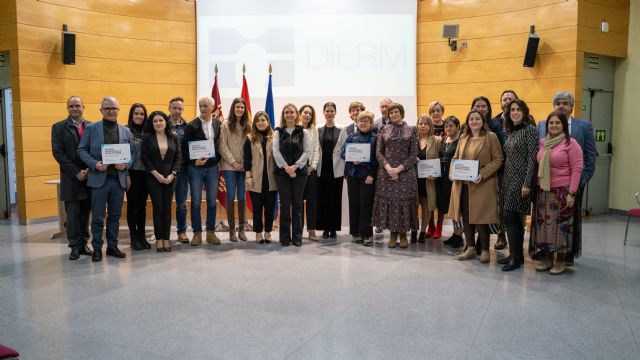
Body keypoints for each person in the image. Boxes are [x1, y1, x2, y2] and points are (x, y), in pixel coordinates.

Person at [536, 91, 596, 266]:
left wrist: (576, 186)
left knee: (567, 222)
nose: (561, 106)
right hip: (545, 187)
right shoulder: (542, 127)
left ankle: (566, 256)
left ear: (571, 106)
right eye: (558, 103)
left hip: (569, 186)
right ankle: (547, 255)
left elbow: (589, 158)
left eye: (565, 103)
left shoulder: (582, 127)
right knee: (546, 223)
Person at [77, 96, 134, 262]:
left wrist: (126, 165)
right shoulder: (91, 128)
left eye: (114, 108)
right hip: (98, 181)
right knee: (97, 217)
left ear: (118, 110)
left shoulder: (126, 131)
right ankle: (96, 248)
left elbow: (132, 154)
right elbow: (81, 150)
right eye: (107, 108)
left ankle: (112, 246)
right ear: (101, 110)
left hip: (118, 181)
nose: (111, 111)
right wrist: (94, 164)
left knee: (115, 216)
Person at [449, 110, 503, 263]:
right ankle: (470, 248)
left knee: (481, 220)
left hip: (482, 184)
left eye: (477, 118)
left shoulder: (490, 137)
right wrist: (452, 172)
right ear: (468, 121)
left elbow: (498, 159)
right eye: (471, 119)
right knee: (466, 218)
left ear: (482, 120)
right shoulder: (463, 138)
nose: (474, 121)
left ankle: (485, 250)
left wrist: (483, 173)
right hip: (463, 185)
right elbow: (455, 158)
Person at [533, 111, 583, 275]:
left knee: (562, 227)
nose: (553, 125)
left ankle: (561, 260)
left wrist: (572, 193)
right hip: (544, 191)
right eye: (551, 123)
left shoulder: (571, 143)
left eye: (557, 123)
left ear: (563, 125)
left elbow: (577, 169)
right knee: (545, 227)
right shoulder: (542, 143)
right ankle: (547, 258)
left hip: (562, 192)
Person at [498, 99, 538, 271]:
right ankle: (517, 255)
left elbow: (532, 158)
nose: (514, 112)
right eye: (512, 110)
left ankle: (515, 256)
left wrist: (527, 183)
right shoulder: (511, 132)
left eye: (518, 109)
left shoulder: (530, 130)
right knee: (510, 218)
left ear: (524, 112)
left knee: (510, 216)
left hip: (521, 180)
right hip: (507, 179)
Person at [51, 96, 92, 260]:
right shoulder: (59, 127)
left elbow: (95, 150)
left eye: (77, 105)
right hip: (71, 178)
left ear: (84, 107)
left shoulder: (92, 126)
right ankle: (74, 246)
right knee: (73, 215)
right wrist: (76, 172)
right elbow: (58, 153)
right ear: (67, 108)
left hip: (90, 177)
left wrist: (88, 169)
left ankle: (84, 244)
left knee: (85, 213)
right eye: (71, 106)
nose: (74, 108)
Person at [372, 103, 419, 249]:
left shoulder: (411, 130)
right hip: (386, 173)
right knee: (391, 203)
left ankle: (404, 234)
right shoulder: (383, 129)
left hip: (405, 173)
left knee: (403, 203)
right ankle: (393, 234)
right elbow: (379, 152)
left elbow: (413, 154)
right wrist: (388, 167)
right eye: (391, 112)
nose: (393, 114)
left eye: (396, 112)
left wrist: (399, 169)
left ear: (402, 113)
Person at [184, 96, 222, 246]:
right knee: (195, 202)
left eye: (206, 106)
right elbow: (184, 147)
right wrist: (194, 161)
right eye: (201, 106)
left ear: (212, 107)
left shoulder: (219, 124)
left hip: (212, 167)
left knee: (212, 201)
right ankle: (197, 233)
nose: (203, 108)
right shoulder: (191, 125)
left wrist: (217, 158)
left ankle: (210, 233)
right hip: (195, 168)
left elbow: (219, 145)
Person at [142, 111, 181, 252]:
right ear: (152, 124)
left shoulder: (174, 136)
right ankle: (159, 239)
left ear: (166, 122)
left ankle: (166, 238)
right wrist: (155, 173)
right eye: (155, 121)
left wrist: (173, 173)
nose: (158, 123)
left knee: (167, 208)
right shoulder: (147, 137)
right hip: (153, 177)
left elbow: (178, 156)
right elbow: (144, 157)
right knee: (158, 208)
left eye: (161, 120)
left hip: (171, 177)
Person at [472, 95, 507, 251]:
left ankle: (484, 240)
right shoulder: (467, 127)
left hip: (490, 176)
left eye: (483, 106)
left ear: (488, 108)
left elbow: (500, 155)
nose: (480, 109)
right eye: (477, 106)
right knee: (473, 208)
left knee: (487, 209)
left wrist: (485, 172)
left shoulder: (495, 128)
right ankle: (472, 242)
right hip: (470, 177)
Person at [272, 103, 310, 247]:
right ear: (283, 114)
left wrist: (295, 166)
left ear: (296, 114)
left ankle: (297, 238)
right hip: (282, 173)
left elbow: (306, 151)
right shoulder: (278, 132)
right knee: (285, 205)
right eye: (286, 112)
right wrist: (286, 167)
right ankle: (285, 238)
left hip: (300, 173)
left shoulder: (303, 132)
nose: (289, 114)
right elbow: (275, 151)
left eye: (292, 112)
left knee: (298, 205)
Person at [341, 111, 378, 246]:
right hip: (352, 175)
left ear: (371, 123)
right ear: (357, 122)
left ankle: (367, 234)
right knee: (354, 204)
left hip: (367, 176)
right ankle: (355, 233)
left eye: (366, 121)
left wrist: (371, 175)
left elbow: (377, 158)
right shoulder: (351, 136)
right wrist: (351, 158)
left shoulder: (375, 138)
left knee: (366, 205)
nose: (363, 123)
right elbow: (342, 153)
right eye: (361, 121)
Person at [244, 111, 277, 244]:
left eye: (263, 120)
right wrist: (248, 176)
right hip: (255, 178)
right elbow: (247, 159)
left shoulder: (274, 137)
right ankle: (258, 232)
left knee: (269, 207)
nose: (260, 123)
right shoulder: (249, 138)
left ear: (268, 122)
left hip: (271, 178)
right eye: (258, 121)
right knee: (257, 208)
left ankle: (268, 231)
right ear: (254, 123)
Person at [220, 97, 251, 242]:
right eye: (237, 107)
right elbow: (222, 146)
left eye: (242, 107)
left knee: (243, 197)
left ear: (245, 110)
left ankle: (242, 229)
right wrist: (233, 162)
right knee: (231, 196)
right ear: (233, 108)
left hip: (244, 167)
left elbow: (252, 146)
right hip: (229, 167)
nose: (240, 109)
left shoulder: (248, 125)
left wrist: (245, 163)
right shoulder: (226, 124)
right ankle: (232, 231)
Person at [316, 102, 343, 239]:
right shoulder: (317, 128)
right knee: (323, 199)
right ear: (324, 112)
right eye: (327, 111)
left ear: (335, 112)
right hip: (321, 169)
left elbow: (345, 149)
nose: (329, 113)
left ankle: (333, 229)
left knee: (335, 199)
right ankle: (325, 228)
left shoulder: (342, 129)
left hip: (336, 169)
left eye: (332, 111)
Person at [125, 103, 150, 251]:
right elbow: (122, 155)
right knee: (132, 206)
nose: (139, 116)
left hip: (146, 174)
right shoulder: (125, 131)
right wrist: (126, 174)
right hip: (131, 173)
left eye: (142, 114)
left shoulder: (148, 131)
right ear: (131, 115)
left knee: (142, 206)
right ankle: (133, 237)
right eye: (136, 113)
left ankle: (142, 236)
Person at [413, 114, 441, 243]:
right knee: (413, 206)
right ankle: (413, 230)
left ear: (430, 126)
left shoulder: (436, 140)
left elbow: (441, 160)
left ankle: (423, 231)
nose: (422, 126)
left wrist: (435, 174)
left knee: (426, 206)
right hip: (412, 179)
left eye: (426, 123)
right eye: (420, 123)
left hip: (428, 180)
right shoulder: (412, 140)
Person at [437, 116, 464, 248]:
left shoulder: (461, 140)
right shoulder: (443, 140)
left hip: (456, 178)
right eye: (446, 126)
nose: (448, 128)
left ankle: (460, 235)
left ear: (458, 126)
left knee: (457, 207)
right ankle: (455, 233)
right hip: (443, 178)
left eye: (451, 126)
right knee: (450, 207)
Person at [168, 97, 191, 244]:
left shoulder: (188, 126)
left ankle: (182, 231)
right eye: (174, 108)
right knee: (165, 204)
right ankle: (163, 232)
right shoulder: (162, 124)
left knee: (181, 204)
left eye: (180, 108)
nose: (177, 111)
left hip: (182, 170)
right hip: (166, 171)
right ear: (169, 108)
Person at [424, 100, 446, 239]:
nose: (435, 113)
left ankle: (439, 226)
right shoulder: (427, 127)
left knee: (441, 200)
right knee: (430, 199)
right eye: (433, 111)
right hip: (429, 170)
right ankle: (430, 226)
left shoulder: (448, 125)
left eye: (438, 110)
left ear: (442, 112)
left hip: (443, 169)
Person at [300, 105, 320, 241]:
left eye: (310, 113)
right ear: (300, 113)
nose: (307, 115)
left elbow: (316, 150)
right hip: (297, 170)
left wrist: (312, 167)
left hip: (310, 170)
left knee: (312, 201)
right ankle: (298, 230)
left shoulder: (314, 130)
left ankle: (311, 230)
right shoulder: (294, 129)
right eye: (305, 112)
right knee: (298, 202)